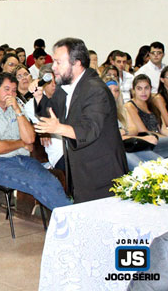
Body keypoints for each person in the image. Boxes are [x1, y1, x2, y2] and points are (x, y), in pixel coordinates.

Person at [34, 37, 128, 203]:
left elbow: (89, 130)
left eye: (58, 62)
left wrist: (58, 128)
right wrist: (39, 97)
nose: (53, 67)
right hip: (80, 172)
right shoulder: (65, 87)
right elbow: (50, 115)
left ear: (76, 63)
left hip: (102, 174)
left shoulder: (95, 90)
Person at [0, 72, 71, 210]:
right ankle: (69, 215)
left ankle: (68, 213)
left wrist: (18, 111)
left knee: (51, 180)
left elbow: (30, 139)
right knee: (36, 182)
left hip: (22, 159)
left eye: (14, 90)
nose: (10, 94)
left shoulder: (17, 107)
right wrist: (21, 143)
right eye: (6, 89)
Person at [24, 64, 64, 170]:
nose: (54, 85)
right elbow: (42, 125)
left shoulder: (64, 98)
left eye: (56, 81)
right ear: (42, 83)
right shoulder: (31, 105)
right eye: (50, 82)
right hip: (59, 154)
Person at [125, 74, 168, 157]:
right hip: (146, 144)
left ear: (151, 89)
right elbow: (143, 132)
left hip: (161, 140)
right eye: (139, 89)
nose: (143, 92)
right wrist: (165, 138)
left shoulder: (152, 104)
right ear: (133, 90)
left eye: (146, 88)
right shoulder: (130, 106)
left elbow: (163, 129)